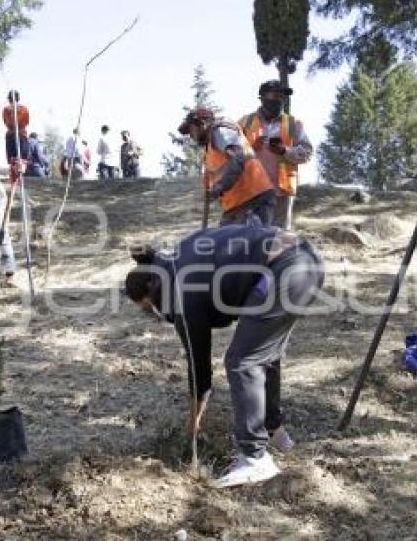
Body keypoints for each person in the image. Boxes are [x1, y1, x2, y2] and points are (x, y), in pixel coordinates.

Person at [125, 225, 324, 487]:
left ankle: (255, 458)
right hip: (307, 260)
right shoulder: (176, 258)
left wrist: (193, 424)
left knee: (241, 361)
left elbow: (199, 371)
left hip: (286, 270)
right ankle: (275, 430)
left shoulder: (176, 293)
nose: (157, 314)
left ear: (151, 290)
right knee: (264, 353)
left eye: (150, 308)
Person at [178, 107, 275, 226]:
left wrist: (220, 187)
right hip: (236, 206)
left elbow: (237, 158)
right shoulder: (210, 150)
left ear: (202, 124)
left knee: (251, 242)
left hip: (253, 200)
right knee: (225, 242)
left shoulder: (221, 131)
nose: (191, 136)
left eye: (191, 130)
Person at [239, 80, 312, 229]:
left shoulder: (293, 123)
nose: (279, 99)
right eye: (275, 95)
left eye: (282, 96)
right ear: (263, 97)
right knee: (252, 238)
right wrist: (252, 147)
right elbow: (231, 155)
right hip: (252, 192)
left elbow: (307, 152)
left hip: (282, 192)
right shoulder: (244, 122)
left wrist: (285, 151)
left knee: (280, 238)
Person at [2, 89, 30, 162]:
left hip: (19, 136)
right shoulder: (7, 110)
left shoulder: (22, 109)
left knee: (19, 160)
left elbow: (7, 122)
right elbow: (8, 122)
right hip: (16, 136)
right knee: (16, 160)